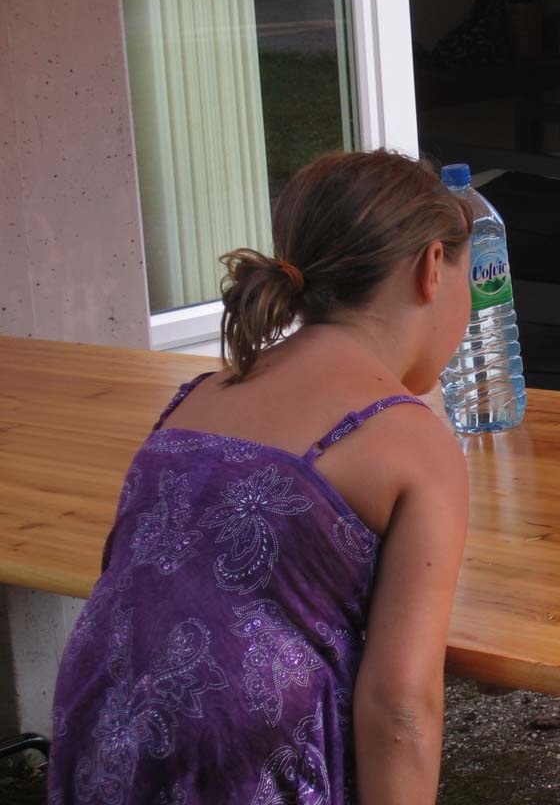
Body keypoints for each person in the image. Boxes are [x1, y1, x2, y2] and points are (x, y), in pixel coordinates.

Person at [47, 149, 473, 804]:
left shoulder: (198, 396)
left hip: (103, 721)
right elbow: (401, 705)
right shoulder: (408, 440)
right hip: (241, 757)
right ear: (431, 267)